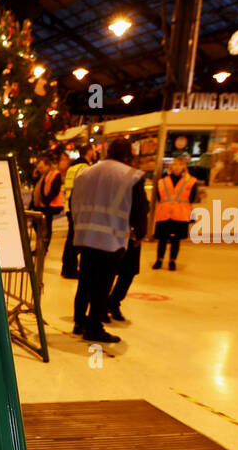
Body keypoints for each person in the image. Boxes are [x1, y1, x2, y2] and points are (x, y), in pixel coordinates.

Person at [70, 138, 148, 344]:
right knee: (102, 285)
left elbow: (73, 202)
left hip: (85, 236)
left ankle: (79, 322)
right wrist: (139, 234)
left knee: (85, 282)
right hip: (111, 239)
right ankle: (94, 327)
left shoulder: (85, 172)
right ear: (127, 155)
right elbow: (140, 210)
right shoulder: (132, 176)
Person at [151, 156, 198, 270]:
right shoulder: (162, 181)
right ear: (171, 166)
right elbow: (159, 197)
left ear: (184, 167)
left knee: (176, 240)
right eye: (175, 164)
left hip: (180, 214)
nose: (177, 167)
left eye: (180, 164)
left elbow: (192, 198)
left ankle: (172, 261)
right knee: (162, 239)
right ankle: (159, 260)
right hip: (164, 213)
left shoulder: (191, 181)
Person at [61, 144, 98, 278]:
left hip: (70, 207)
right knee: (75, 239)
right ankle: (69, 269)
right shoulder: (85, 168)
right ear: (88, 152)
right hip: (78, 208)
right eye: (94, 150)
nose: (95, 153)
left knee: (71, 238)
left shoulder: (72, 168)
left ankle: (67, 267)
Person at [32, 152, 66, 239]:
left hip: (50, 206)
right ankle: (41, 247)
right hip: (43, 205)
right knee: (38, 225)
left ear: (47, 166)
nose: (40, 170)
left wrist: (45, 202)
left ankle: (44, 247)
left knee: (46, 227)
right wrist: (35, 178)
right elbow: (37, 191)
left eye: (41, 167)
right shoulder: (43, 176)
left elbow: (54, 190)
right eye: (38, 168)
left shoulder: (54, 174)